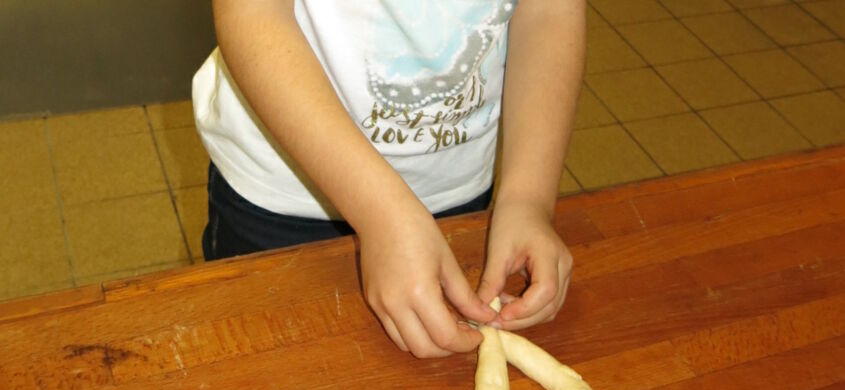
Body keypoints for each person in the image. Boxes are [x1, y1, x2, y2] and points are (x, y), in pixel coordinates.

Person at [192, 0, 584, 359]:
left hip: (455, 197)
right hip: (282, 199)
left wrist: (528, 199)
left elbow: (549, 11)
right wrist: (381, 214)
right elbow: (252, 14)